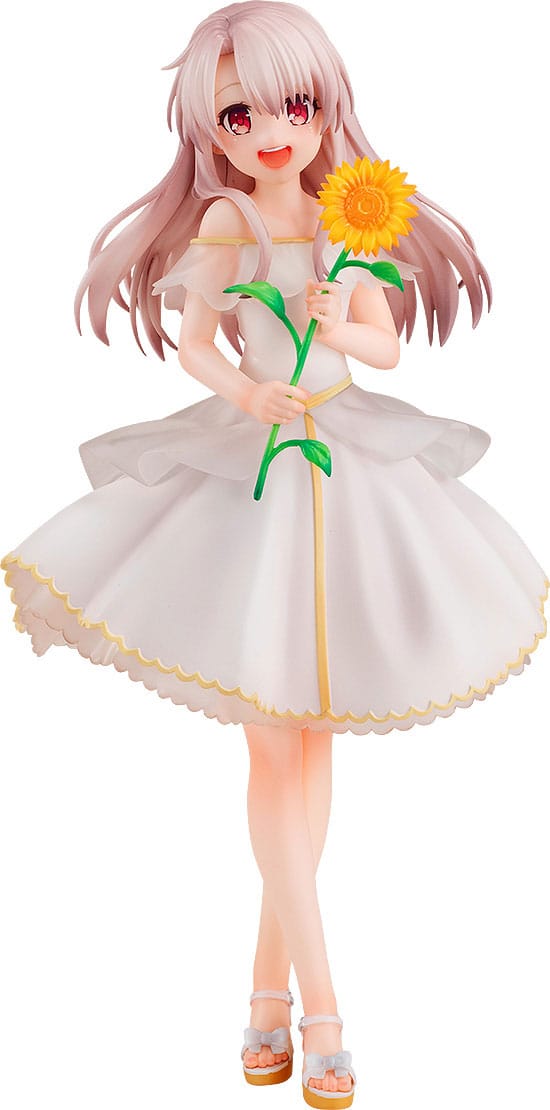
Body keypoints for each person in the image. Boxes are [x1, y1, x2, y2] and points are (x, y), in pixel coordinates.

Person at [1, 3, 547, 1106]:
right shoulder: (227, 222)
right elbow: (199, 345)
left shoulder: (354, 213)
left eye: (292, 106)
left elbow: (384, 343)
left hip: (349, 473)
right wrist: (249, 392)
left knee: (312, 743)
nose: (270, 134)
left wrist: (337, 324)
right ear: (211, 129)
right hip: (255, 480)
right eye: (239, 115)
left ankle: (262, 997)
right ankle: (323, 1006)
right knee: (273, 749)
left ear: (327, 108)